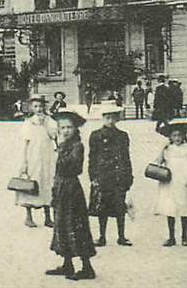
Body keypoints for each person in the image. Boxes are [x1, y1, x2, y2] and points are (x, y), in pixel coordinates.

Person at [46, 110, 96, 281]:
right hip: (61, 187)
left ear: (76, 129)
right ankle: (67, 263)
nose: (66, 130)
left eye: (69, 127)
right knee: (61, 224)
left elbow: (75, 167)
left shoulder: (77, 146)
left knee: (76, 225)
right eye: (62, 127)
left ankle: (87, 267)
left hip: (71, 189)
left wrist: (59, 157)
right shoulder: (63, 144)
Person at [88, 107, 133, 247]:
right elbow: (92, 157)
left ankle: (121, 236)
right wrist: (93, 176)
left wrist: (128, 175)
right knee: (102, 206)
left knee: (120, 206)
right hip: (103, 175)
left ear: (117, 119)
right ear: (103, 118)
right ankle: (102, 236)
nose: (110, 121)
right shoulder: (95, 135)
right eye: (107, 117)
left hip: (119, 175)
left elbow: (126, 157)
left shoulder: (123, 135)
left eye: (113, 117)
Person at [153, 121, 187, 247]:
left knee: (184, 208)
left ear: (184, 136)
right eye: (174, 136)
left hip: (183, 180)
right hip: (169, 181)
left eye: (179, 135)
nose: (177, 138)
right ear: (170, 137)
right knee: (170, 208)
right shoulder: (168, 149)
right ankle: (171, 237)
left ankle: (184, 236)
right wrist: (163, 147)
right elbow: (158, 162)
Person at [16, 95, 57, 228]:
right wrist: (24, 162)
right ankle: (29, 217)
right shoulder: (28, 123)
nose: (39, 109)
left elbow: (54, 135)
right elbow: (25, 143)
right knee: (31, 184)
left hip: (47, 156)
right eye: (36, 106)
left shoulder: (49, 120)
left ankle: (47, 217)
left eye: (41, 106)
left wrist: (45, 123)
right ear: (31, 108)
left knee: (47, 182)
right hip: (33, 156)